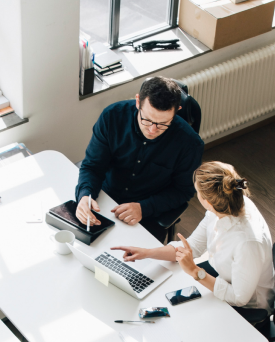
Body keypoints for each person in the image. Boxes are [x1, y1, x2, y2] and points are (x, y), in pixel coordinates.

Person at [111, 160, 274, 333]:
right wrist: (147, 253)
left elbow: (239, 298)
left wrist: (195, 272)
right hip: (224, 277)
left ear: (207, 202)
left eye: (197, 192)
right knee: (167, 300)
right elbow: (193, 246)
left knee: (181, 325)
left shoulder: (247, 243)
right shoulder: (226, 204)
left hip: (247, 306)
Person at [75, 75, 204, 240]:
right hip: (105, 199)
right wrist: (85, 194)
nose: (152, 129)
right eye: (147, 119)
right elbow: (93, 166)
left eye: (163, 123)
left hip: (148, 213)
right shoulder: (112, 117)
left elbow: (183, 191)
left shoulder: (190, 144)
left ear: (177, 110)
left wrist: (144, 208)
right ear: (138, 102)